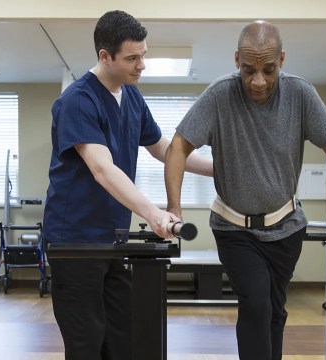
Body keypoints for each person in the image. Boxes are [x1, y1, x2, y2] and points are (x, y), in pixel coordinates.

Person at [164, 20, 326, 360]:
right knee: (255, 304)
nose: (258, 81)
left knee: (274, 309)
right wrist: (174, 208)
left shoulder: (300, 94)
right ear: (236, 59)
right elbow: (178, 147)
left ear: (281, 60)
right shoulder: (220, 95)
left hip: (286, 228)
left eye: (268, 70)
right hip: (233, 227)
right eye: (248, 70)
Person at [42, 10, 213, 360]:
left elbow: (163, 148)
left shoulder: (131, 96)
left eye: (144, 55)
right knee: (86, 340)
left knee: (123, 339)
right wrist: (153, 213)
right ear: (105, 56)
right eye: (132, 58)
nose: (142, 65)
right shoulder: (77, 101)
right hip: (74, 241)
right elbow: (102, 169)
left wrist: (217, 170)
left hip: (111, 238)